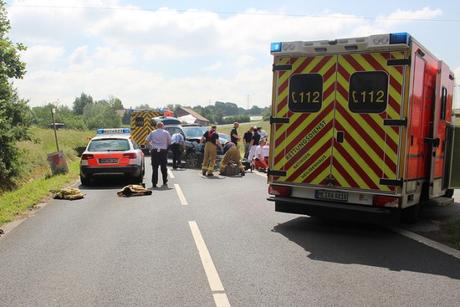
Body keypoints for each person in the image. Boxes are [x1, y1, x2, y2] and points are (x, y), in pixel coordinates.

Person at [146, 122, 171, 188]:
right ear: (162, 126)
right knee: (163, 167)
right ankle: (164, 181)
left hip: (154, 151)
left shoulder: (153, 132)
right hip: (163, 151)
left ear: (157, 126)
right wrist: (166, 147)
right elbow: (169, 142)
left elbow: (147, 140)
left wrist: (151, 146)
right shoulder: (166, 132)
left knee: (155, 168)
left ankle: (154, 183)